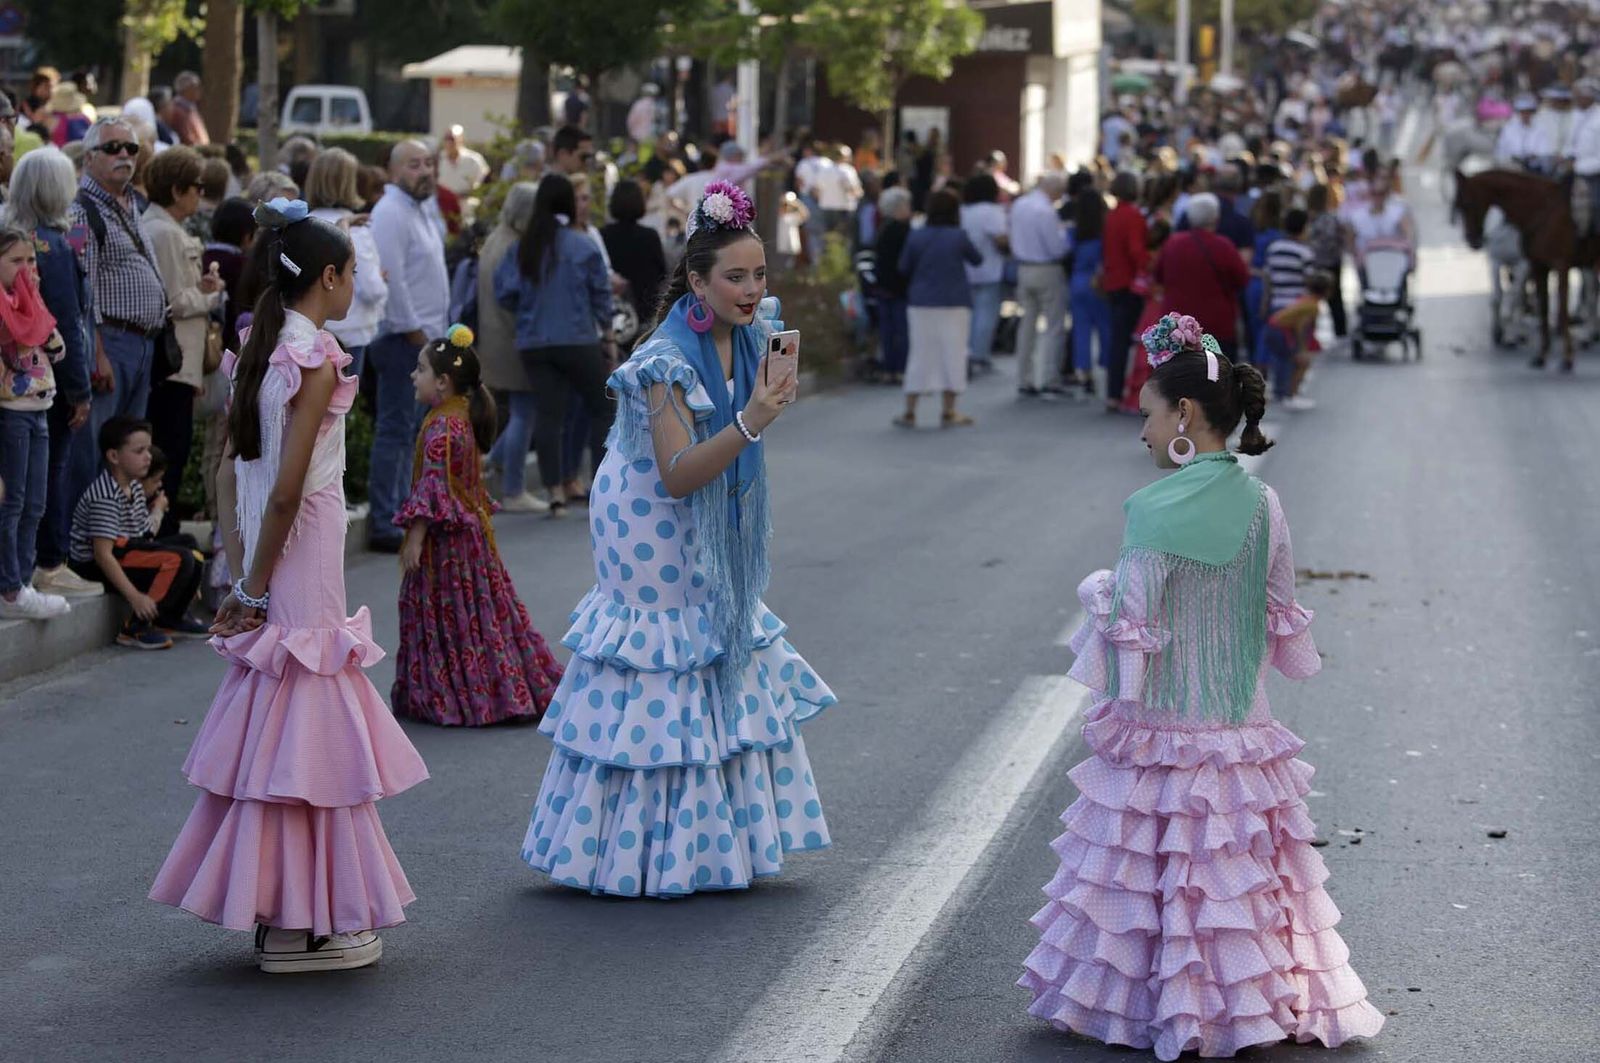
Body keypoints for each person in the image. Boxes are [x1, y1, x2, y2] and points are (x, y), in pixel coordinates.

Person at [1019, 311, 1385, 1059]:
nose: (1143, 430)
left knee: (1158, 890)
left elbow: (1133, 635)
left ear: (1184, 414)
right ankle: (1248, 1005)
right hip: (1241, 730)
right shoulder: (1265, 503)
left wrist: (1103, 599)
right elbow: (1279, 611)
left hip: (1162, 733)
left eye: (1149, 414)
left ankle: (1153, 1008)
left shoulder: (1152, 509)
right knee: (1237, 888)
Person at [519, 180, 838, 897]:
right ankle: (638, 852)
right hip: (646, 520)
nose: (751, 289)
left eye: (758, 274)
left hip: (706, 501)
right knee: (666, 661)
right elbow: (674, 476)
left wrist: (756, 406)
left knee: (716, 641)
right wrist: (755, 418)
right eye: (734, 276)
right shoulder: (663, 360)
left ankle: (708, 843)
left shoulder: (752, 332)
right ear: (695, 281)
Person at [149, 199, 428, 972]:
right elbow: (287, 489)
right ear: (331, 276)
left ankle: (283, 916)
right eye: (352, 275)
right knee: (311, 737)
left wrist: (243, 575)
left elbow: (240, 474)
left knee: (280, 734)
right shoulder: (315, 360)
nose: (356, 287)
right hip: (299, 562)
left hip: (273, 557)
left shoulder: (260, 353)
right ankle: (313, 923)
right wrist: (263, 585)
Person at [392, 326, 564, 725]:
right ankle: (498, 690)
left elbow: (433, 488)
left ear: (443, 382)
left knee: (456, 620)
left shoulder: (442, 429)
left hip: (448, 550)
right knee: (483, 619)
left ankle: (460, 697)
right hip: (472, 544)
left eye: (420, 370)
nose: (412, 377)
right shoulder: (455, 420)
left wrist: (414, 539)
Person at [2, 148, 101, 602]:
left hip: (22, 382)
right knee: (43, 479)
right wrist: (79, 389)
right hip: (42, 384)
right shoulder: (50, 246)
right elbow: (64, 322)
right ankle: (46, 565)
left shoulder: (19, 237)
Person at [493, 173, 614, 517]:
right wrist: (606, 332)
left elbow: (504, 291)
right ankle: (600, 486)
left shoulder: (524, 246)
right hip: (576, 336)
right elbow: (601, 294)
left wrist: (529, 309)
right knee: (601, 407)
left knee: (549, 415)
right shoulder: (581, 245)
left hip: (534, 340)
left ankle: (555, 492)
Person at [67, 118, 169, 515]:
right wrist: (96, 353)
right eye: (113, 148)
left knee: (128, 453)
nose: (124, 155)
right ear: (90, 157)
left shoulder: (129, 203)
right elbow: (81, 290)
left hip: (141, 343)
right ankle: (78, 545)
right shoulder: (82, 212)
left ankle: (113, 539)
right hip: (110, 343)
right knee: (95, 450)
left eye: (131, 148)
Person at [367, 140, 448, 551]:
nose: (425, 171)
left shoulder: (419, 209)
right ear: (395, 170)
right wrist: (413, 329)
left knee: (411, 433)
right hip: (403, 339)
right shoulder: (391, 212)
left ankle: (402, 511)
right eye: (415, 165)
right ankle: (384, 520)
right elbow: (392, 277)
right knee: (396, 430)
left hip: (424, 339)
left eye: (429, 163)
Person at [142, 147, 226, 538]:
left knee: (175, 446)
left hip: (181, 360)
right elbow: (174, 301)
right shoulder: (165, 233)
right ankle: (162, 527)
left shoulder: (165, 230)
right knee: (170, 449)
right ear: (177, 190)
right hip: (173, 360)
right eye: (196, 186)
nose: (200, 193)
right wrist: (210, 297)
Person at [68, 415, 204, 646]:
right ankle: (137, 627)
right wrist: (136, 597)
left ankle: (171, 618)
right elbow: (102, 554)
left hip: (127, 550)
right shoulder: (105, 495)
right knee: (177, 559)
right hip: (94, 565)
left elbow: (144, 536)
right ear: (114, 456)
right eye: (139, 451)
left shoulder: (134, 486)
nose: (148, 457)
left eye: (148, 450)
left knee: (189, 546)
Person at [0, 226, 73, 620]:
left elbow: (56, 349)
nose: (26, 268)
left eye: (30, 260)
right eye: (15, 261)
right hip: (11, 414)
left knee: (34, 503)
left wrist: (35, 303)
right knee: (11, 505)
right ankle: (9, 587)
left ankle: (22, 581)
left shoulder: (31, 302)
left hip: (39, 411)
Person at [477, 182, 544, 511]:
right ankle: (513, 488)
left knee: (519, 411)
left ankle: (488, 463)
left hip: (493, 336)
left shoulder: (495, 239)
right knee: (525, 412)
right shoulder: (514, 246)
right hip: (513, 337)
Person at [895, 188, 981, 429]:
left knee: (920, 354)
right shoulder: (958, 236)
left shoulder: (917, 236)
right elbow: (977, 259)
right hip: (954, 301)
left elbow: (904, 266)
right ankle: (949, 409)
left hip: (921, 301)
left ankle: (910, 410)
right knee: (953, 354)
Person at [305, 147, 388, 380]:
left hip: (309, 328)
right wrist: (381, 282)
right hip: (350, 332)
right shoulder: (356, 231)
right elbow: (371, 289)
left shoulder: (304, 225)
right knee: (342, 408)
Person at [1152, 194, 1250, 361]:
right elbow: (1242, 279)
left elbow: (1158, 276)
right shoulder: (1223, 246)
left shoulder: (1173, 244)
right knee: (1216, 377)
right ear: (1215, 218)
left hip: (1178, 327)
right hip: (1216, 326)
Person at [1010, 172, 1068, 398]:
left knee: (1027, 324)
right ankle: (1049, 378)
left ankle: (1024, 378)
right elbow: (1056, 247)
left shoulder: (1020, 204)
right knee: (1054, 325)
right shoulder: (1045, 211)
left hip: (1024, 268)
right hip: (1047, 268)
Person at [1102, 171, 1149, 411]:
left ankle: (1113, 391)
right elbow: (1136, 250)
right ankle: (1127, 390)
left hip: (1113, 280)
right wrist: (1148, 266)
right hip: (1130, 283)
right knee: (1133, 340)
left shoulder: (1111, 215)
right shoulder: (1133, 216)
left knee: (1117, 340)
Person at [602, 179, 668, 337]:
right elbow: (662, 273)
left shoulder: (603, 235)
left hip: (614, 315)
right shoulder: (650, 236)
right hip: (645, 312)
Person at [960, 173, 1010, 375]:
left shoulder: (963, 211)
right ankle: (979, 356)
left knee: (969, 316)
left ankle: (967, 354)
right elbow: (1000, 239)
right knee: (986, 316)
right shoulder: (992, 212)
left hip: (965, 270)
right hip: (988, 269)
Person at [1263, 270, 1331, 411]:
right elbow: (1301, 327)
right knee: (1289, 362)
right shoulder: (1313, 306)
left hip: (1274, 328)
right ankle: (1287, 395)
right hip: (1279, 331)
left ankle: (1282, 393)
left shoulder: (1307, 300)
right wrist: (1302, 348)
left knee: (1284, 362)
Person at [1066, 187, 1111, 396]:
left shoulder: (1074, 231)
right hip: (1099, 282)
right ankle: (1108, 366)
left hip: (1078, 281)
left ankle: (1085, 373)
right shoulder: (1105, 232)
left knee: (1080, 329)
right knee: (1105, 327)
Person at [872, 187, 913, 383]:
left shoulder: (882, 229)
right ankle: (901, 369)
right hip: (900, 287)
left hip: (882, 286)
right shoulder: (904, 230)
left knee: (887, 331)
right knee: (902, 330)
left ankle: (888, 368)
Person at [1305, 184, 1346, 340]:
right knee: (1334, 300)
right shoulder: (1327, 218)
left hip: (1322, 263)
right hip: (1328, 263)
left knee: (1333, 300)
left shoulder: (1315, 219)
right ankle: (1336, 332)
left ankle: (1338, 332)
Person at [435, 124, 489, 197]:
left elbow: (481, 182)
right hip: (443, 203)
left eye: (452, 138)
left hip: (467, 202)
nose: (449, 142)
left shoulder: (474, 159)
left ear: (461, 139)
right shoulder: (438, 159)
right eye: (446, 138)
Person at [170, 72, 209, 146]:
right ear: (186, 89)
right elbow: (187, 139)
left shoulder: (191, 108)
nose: (199, 90)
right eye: (195, 86)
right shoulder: (178, 110)